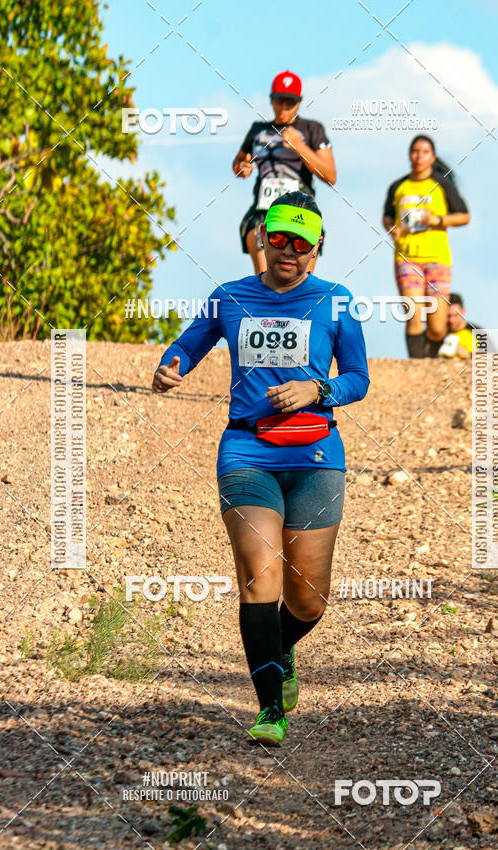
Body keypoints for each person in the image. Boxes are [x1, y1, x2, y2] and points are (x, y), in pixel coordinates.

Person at [152, 192, 369, 747]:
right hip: (246, 452)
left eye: (300, 242)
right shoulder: (229, 298)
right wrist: (171, 366)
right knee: (259, 579)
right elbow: (187, 345)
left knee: (308, 599)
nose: (288, 251)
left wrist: (317, 389)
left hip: (316, 456)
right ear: (261, 240)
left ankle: (281, 648)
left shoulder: (336, 301)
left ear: (317, 249)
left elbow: (358, 379)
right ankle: (270, 710)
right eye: (278, 239)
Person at [233, 70, 336, 275]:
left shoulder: (312, 129)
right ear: (271, 100)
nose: (284, 107)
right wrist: (242, 168)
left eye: (291, 102)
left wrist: (300, 147)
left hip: (301, 212)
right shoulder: (258, 130)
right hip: (264, 212)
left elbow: (330, 175)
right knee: (267, 280)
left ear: (299, 102)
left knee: (299, 282)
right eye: (279, 100)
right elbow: (238, 163)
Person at [382, 135, 470, 359]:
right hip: (406, 257)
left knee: (437, 327)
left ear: (432, 157)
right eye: (415, 151)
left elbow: (464, 216)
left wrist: (436, 220)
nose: (419, 156)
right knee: (414, 315)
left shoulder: (442, 184)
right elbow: (387, 217)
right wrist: (392, 229)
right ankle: (416, 367)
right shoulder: (398, 186)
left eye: (425, 152)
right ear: (409, 155)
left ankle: (431, 364)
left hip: (437, 258)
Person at [438, 293, 482, 358]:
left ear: (463, 311)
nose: (452, 320)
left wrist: (469, 355)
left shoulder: (477, 331)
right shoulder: (438, 333)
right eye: (448, 316)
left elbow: (493, 356)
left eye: (456, 315)